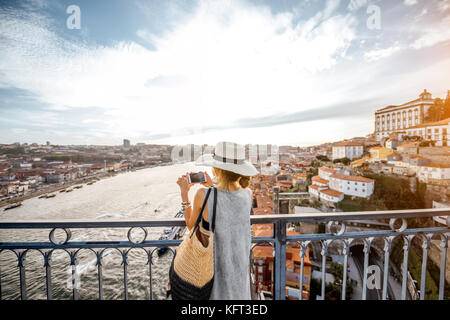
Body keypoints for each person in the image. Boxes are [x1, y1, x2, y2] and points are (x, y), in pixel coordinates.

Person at [176, 141, 258, 300]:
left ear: (216, 168)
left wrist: (184, 194)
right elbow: (227, 201)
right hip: (239, 272)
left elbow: (191, 225)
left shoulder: (203, 194)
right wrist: (212, 185)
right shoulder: (247, 194)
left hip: (214, 273)